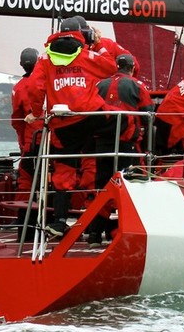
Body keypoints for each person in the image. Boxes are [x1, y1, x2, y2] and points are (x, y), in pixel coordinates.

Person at [26, 17, 118, 238]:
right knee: (123, 130)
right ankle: (128, 175)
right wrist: (97, 43)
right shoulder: (86, 54)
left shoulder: (45, 59)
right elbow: (111, 67)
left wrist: (37, 112)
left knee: (64, 171)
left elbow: (34, 87)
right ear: (81, 33)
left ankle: (58, 222)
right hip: (91, 118)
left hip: (63, 124)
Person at [85, 53, 154, 247]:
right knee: (132, 189)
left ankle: (94, 234)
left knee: (102, 189)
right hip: (127, 146)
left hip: (102, 145)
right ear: (132, 68)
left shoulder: (99, 85)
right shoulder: (138, 86)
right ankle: (124, 233)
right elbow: (149, 113)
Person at [9, 47, 41, 197]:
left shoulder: (18, 88)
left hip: (30, 141)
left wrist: (22, 143)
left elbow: (17, 120)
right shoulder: (47, 81)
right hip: (52, 140)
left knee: (26, 178)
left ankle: (25, 215)